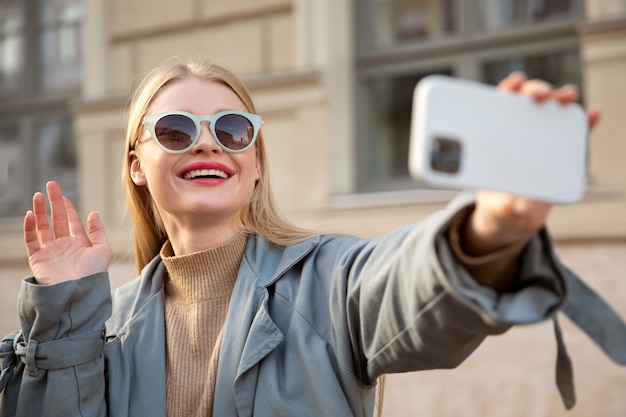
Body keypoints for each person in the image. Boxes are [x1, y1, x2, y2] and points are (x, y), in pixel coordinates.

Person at [0, 56, 602, 417]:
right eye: (177, 129)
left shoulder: (328, 278)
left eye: (233, 130)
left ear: (256, 162)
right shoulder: (103, 324)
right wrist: (67, 316)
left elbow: (404, 285)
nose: (208, 142)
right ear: (137, 164)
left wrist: (489, 224)